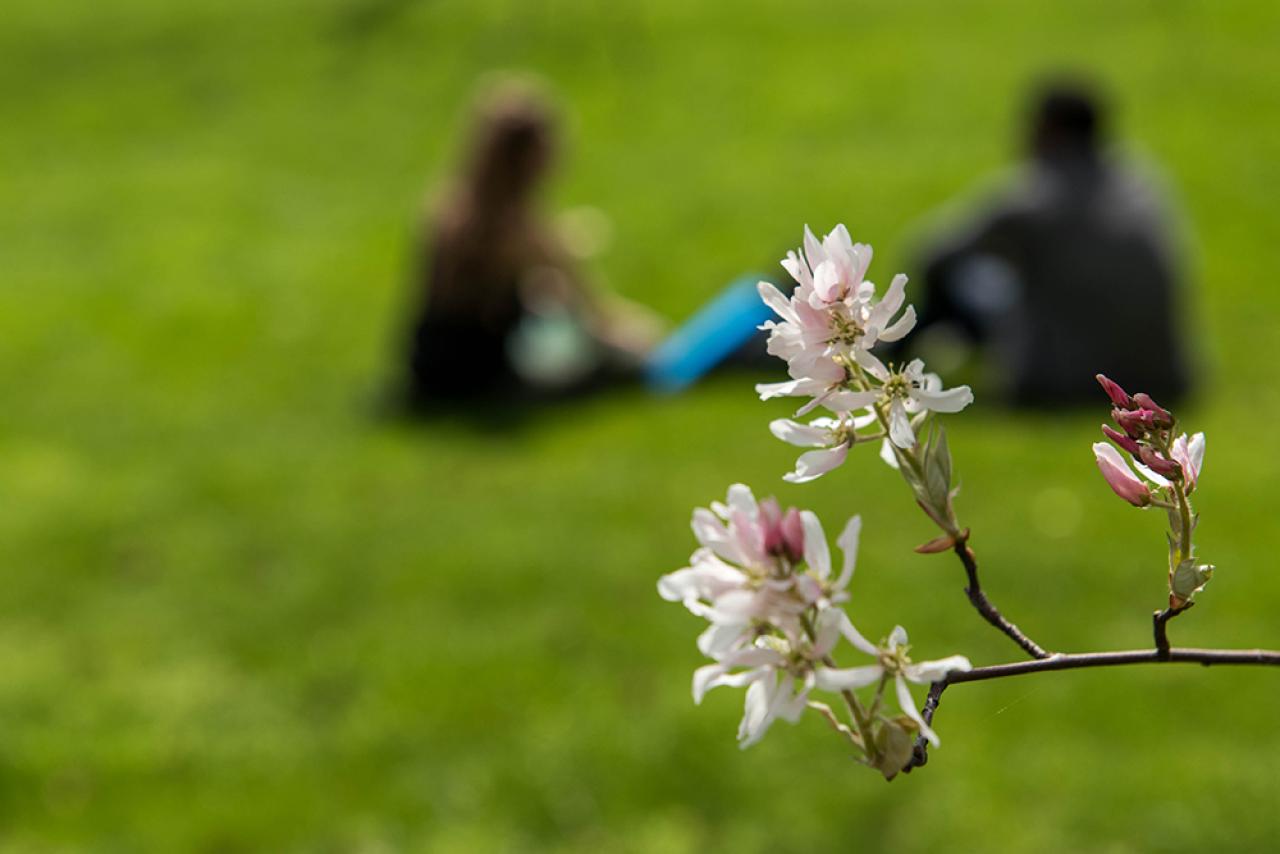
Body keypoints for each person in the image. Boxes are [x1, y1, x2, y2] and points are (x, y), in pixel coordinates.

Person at [913, 80, 1192, 406]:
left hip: (1059, 382)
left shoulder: (1034, 198)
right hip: (1164, 378)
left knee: (964, 277)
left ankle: (896, 368)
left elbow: (930, 254)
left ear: (1048, 129)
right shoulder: (1142, 183)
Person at [399, 79, 658, 409]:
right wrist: (638, 338)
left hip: (425, 369)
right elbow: (596, 313)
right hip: (480, 381)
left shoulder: (448, 210)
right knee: (612, 364)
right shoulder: (522, 230)